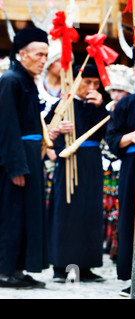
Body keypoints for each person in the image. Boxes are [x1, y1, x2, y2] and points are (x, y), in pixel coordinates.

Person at [0, 27, 55, 288]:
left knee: (27, 216)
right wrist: (16, 166)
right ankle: (3, 270)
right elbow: (7, 127)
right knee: (11, 215)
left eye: (46, 54)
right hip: (17, 160)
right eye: (39, 54)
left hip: (30, 158)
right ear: (22, 54)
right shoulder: (10, 80)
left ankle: (18, 268)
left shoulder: (27, 82)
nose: (44, 60)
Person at [45, 64, 109, 283]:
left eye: (96, 83)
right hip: (69, 162)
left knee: (90, 213)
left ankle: (86, 266)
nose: (91, 87)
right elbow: (46, 134)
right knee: (67, 212)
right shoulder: (62, 104)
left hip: (91, 163)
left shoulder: (98, 106)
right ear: (75, 81)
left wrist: (100, 107)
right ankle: (60, 266)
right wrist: (56, 134)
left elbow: (107, 133)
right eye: (87, 82)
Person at [105, 92, 135, 297]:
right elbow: (112, 137)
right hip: (133, 168)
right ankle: (134, 276)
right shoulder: (127, 103)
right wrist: (130, 137)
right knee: (131, 219)